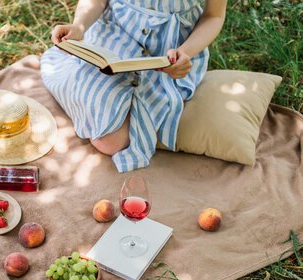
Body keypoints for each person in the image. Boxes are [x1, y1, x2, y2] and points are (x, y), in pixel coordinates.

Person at [40, 0, 227, 172]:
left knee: (113, 142)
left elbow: (214, 16)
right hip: (117, 32)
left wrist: (185, 52)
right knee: (106, 137)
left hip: (171, 51)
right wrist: (79, 26)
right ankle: (70, 76)